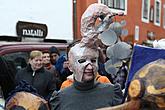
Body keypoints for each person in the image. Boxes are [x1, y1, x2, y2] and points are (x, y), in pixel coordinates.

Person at [49, 3, 123, 110]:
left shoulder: (112, 92)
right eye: (82, 61)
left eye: (93, 61)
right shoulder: (60, 98)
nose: (89, 67)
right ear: (70, 66)